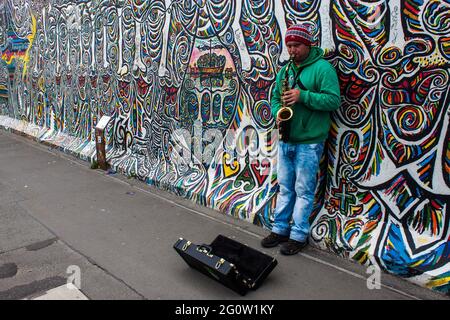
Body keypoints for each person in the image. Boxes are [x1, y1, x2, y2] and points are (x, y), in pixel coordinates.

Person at [261, 23, 341, 255]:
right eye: (289, 46)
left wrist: (302, 95)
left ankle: (298, 235)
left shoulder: (323, 69)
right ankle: (279, 230)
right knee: (285, 187)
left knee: (304, 189)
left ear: (307, 44)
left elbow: (333, 101)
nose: (292, 50)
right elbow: (276, 98)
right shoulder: (285, 71)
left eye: (296, 45)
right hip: (287, 138)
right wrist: (278, 111)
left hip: (309, 141)